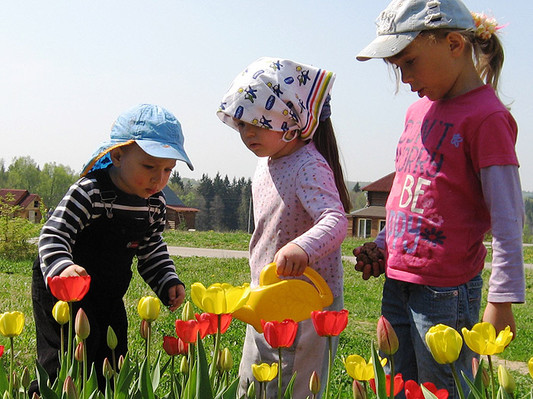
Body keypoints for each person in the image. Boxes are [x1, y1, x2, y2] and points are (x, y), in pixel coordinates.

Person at [354, 0, 525, 397]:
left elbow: (507, 217)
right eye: (398, 67)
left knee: (441, 389)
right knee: (397, 386)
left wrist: (502, 297)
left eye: (409, 62)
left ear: (452, 44)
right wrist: (383, 245)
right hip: (398, 282)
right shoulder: (417, 113)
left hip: (445, 293)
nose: (405, 78)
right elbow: (405, 194)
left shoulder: (487, 118)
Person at [30, 104, 193, 395]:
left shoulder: (153, 205)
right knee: (64, 358)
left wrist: (167, 281)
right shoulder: (90, 191)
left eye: (168, 169)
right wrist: (63, 268)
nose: (159, 179)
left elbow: (151, 247)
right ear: (117, 155)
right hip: (64, 292)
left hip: (108, 292)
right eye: (149, 167)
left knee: (112, 357)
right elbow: (54, 233)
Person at [217, 57, 351, 398]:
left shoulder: (308, 165)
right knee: (255, 384)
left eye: (258, 124)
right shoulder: (268, 163)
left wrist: (301, 248)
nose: (247, 133)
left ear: (291, 122)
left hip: (304, 301)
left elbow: (335, 220)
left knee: (292, 388)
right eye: (242, 124)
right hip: (268, 296)